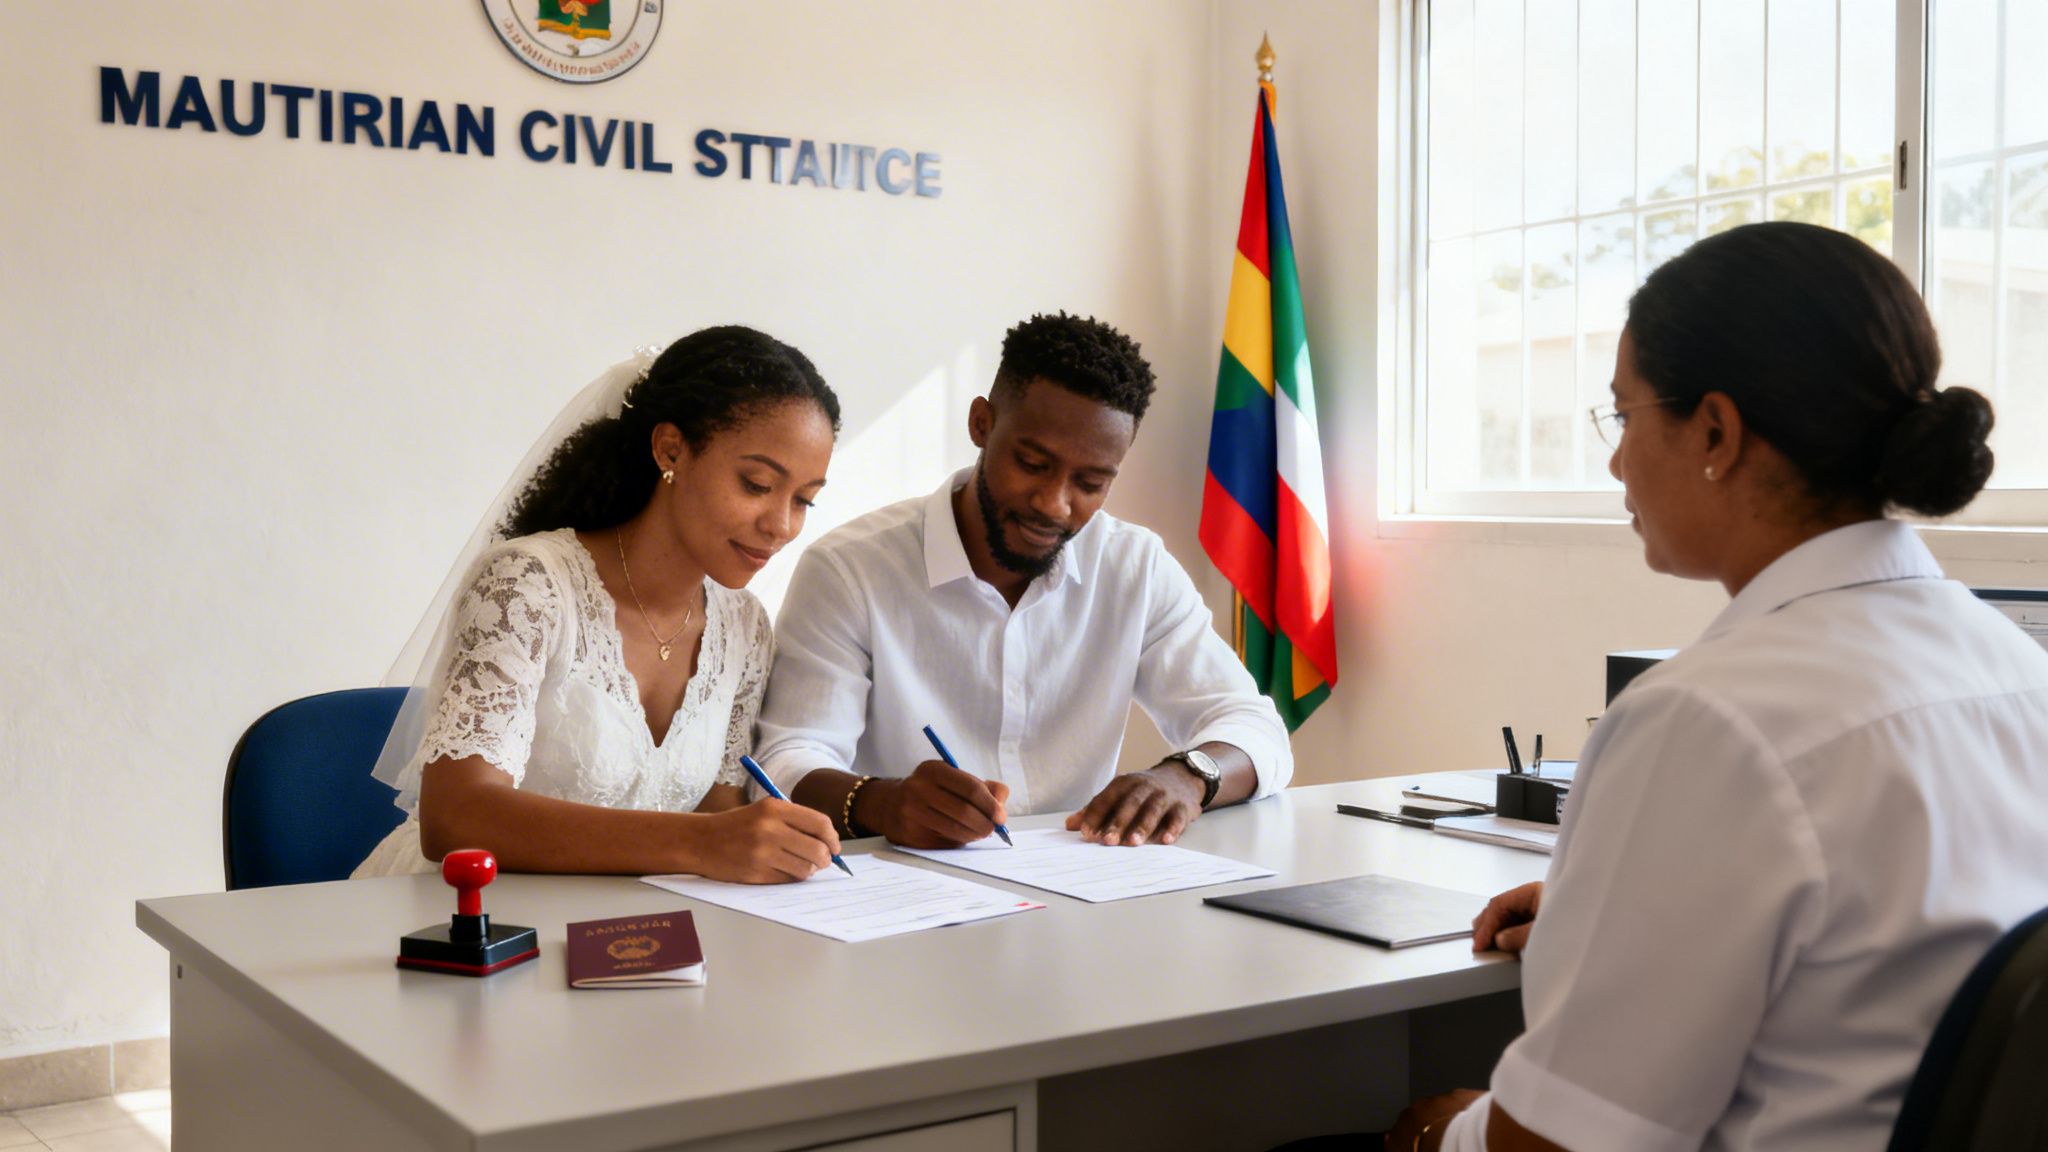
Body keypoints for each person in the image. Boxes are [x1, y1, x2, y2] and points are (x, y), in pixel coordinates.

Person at [1381, 223, 2048, 1151]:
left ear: (1716, 431)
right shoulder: (2020, 670)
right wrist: (1615, 908)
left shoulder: (1708, 719)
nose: (1615, 461)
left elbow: (1564, 1144)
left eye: (1623, 415)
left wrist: (1436, 1134)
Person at [752, 312, 1292, 850]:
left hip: (1078, 892)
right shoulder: (850, 570)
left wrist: (1187, 774)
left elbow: (1254, 727)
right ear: (981, 424)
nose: (1054, 503)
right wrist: (883, 801)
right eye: (1033, 463)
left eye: (1090, 482)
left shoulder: (1135, 567)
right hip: (904, 891)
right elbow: (789, 758)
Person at [353, 326, 845, 883]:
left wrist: (776, 846)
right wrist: (704, 841)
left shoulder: (745, 626)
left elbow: (717, 807)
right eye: (757, 484)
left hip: (627, 933)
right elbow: (456, 818)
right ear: (671, 449)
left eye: (804, 499)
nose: (781, 525)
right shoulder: (528, 585)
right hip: (463, 923)